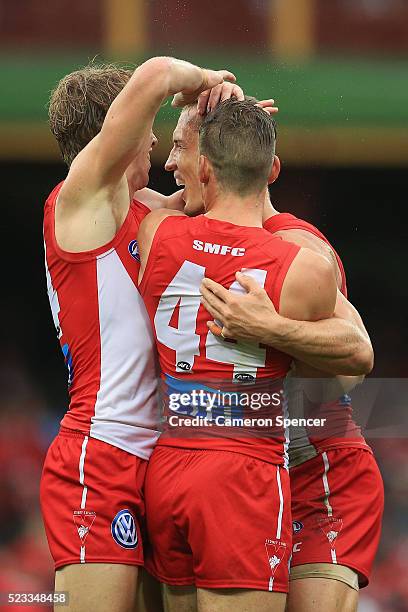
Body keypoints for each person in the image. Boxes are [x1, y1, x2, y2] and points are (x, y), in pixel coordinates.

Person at [41, 57, 236, 612]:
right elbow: (154, 74)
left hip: (161, 459)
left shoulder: (142, 210)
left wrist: (226, 116)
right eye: (149, 128)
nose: (155, 142)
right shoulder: (78, 202)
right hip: (101, 450)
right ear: (120, 127)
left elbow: (216, 192)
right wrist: (207, 80)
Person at [136, 99, 339, 612]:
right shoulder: (304, 267)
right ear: (271, 169)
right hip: (244, 469)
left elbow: (160, 197)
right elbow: (348, 362)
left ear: (202, 167)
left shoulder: (156, 233)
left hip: (170, 461)